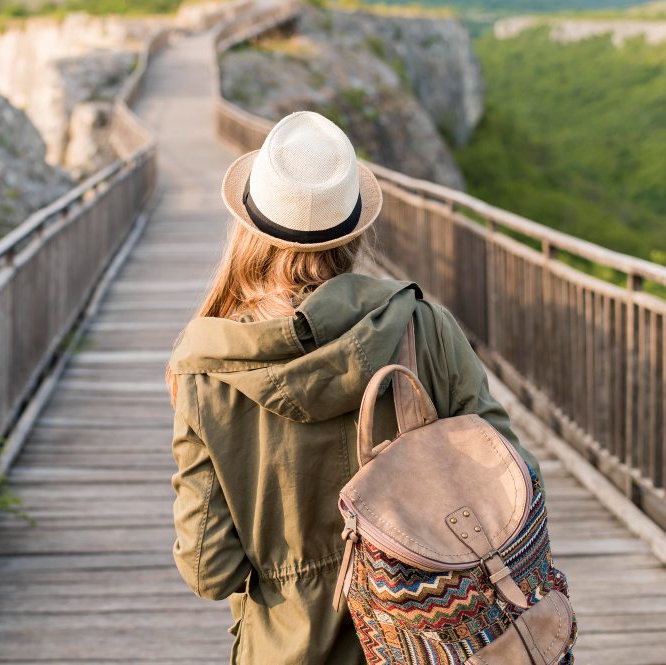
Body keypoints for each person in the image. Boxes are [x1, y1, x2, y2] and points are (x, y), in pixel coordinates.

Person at [165, 111, 544, 664]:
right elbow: (517, 474)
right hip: (430, 639)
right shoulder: (423, 325)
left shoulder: (205, 371)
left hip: (283, 647)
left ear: (248, 226)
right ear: (356, 227)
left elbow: (210, 569)